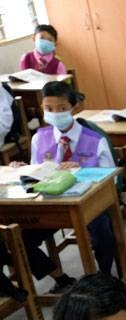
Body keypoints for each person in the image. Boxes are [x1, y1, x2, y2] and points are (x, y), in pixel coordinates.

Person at [9, 81, 115, 283]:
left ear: (74, 107)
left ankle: (105, 278)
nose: (55, 113)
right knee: (19, 239)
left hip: (87, 203)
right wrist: (22, 170)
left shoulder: (95, 139)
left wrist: (80, 171)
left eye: (62, 108)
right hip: (50, 206)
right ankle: (61, 279)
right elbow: (36, 173)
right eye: (49, 109)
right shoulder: (39, 138)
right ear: (41, 108)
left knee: (102, 232)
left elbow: (112, 177)